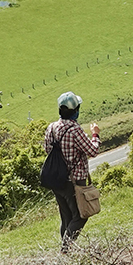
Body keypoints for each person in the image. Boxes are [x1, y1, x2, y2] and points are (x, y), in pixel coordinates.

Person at [45, 91, 100, 248]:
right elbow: (93, 151)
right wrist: (95, 135)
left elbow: (47, 150)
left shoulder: (51, 128)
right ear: (75, 110)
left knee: (67, 217)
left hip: (56, 180)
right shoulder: (75, 130)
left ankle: (67, 252)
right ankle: (65, 250)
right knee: (81, 216)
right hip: (74, 181)